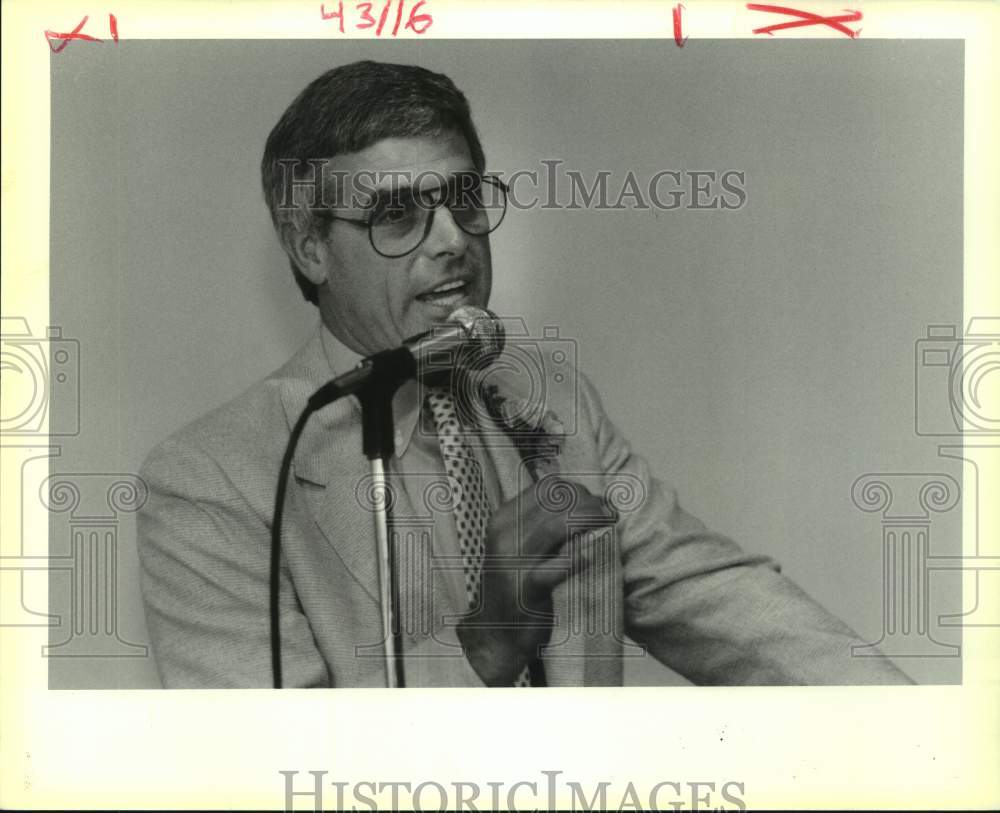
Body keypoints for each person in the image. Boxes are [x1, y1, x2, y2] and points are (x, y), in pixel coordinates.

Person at [136, 60, 911, 688]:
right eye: (399, 214)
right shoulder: (210, 479)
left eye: (466, 199)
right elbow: (266, 767)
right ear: (309, 247)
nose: (452, 240)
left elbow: (713, 597)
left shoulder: (551, 400)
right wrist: (486, 643)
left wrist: (920, 729)